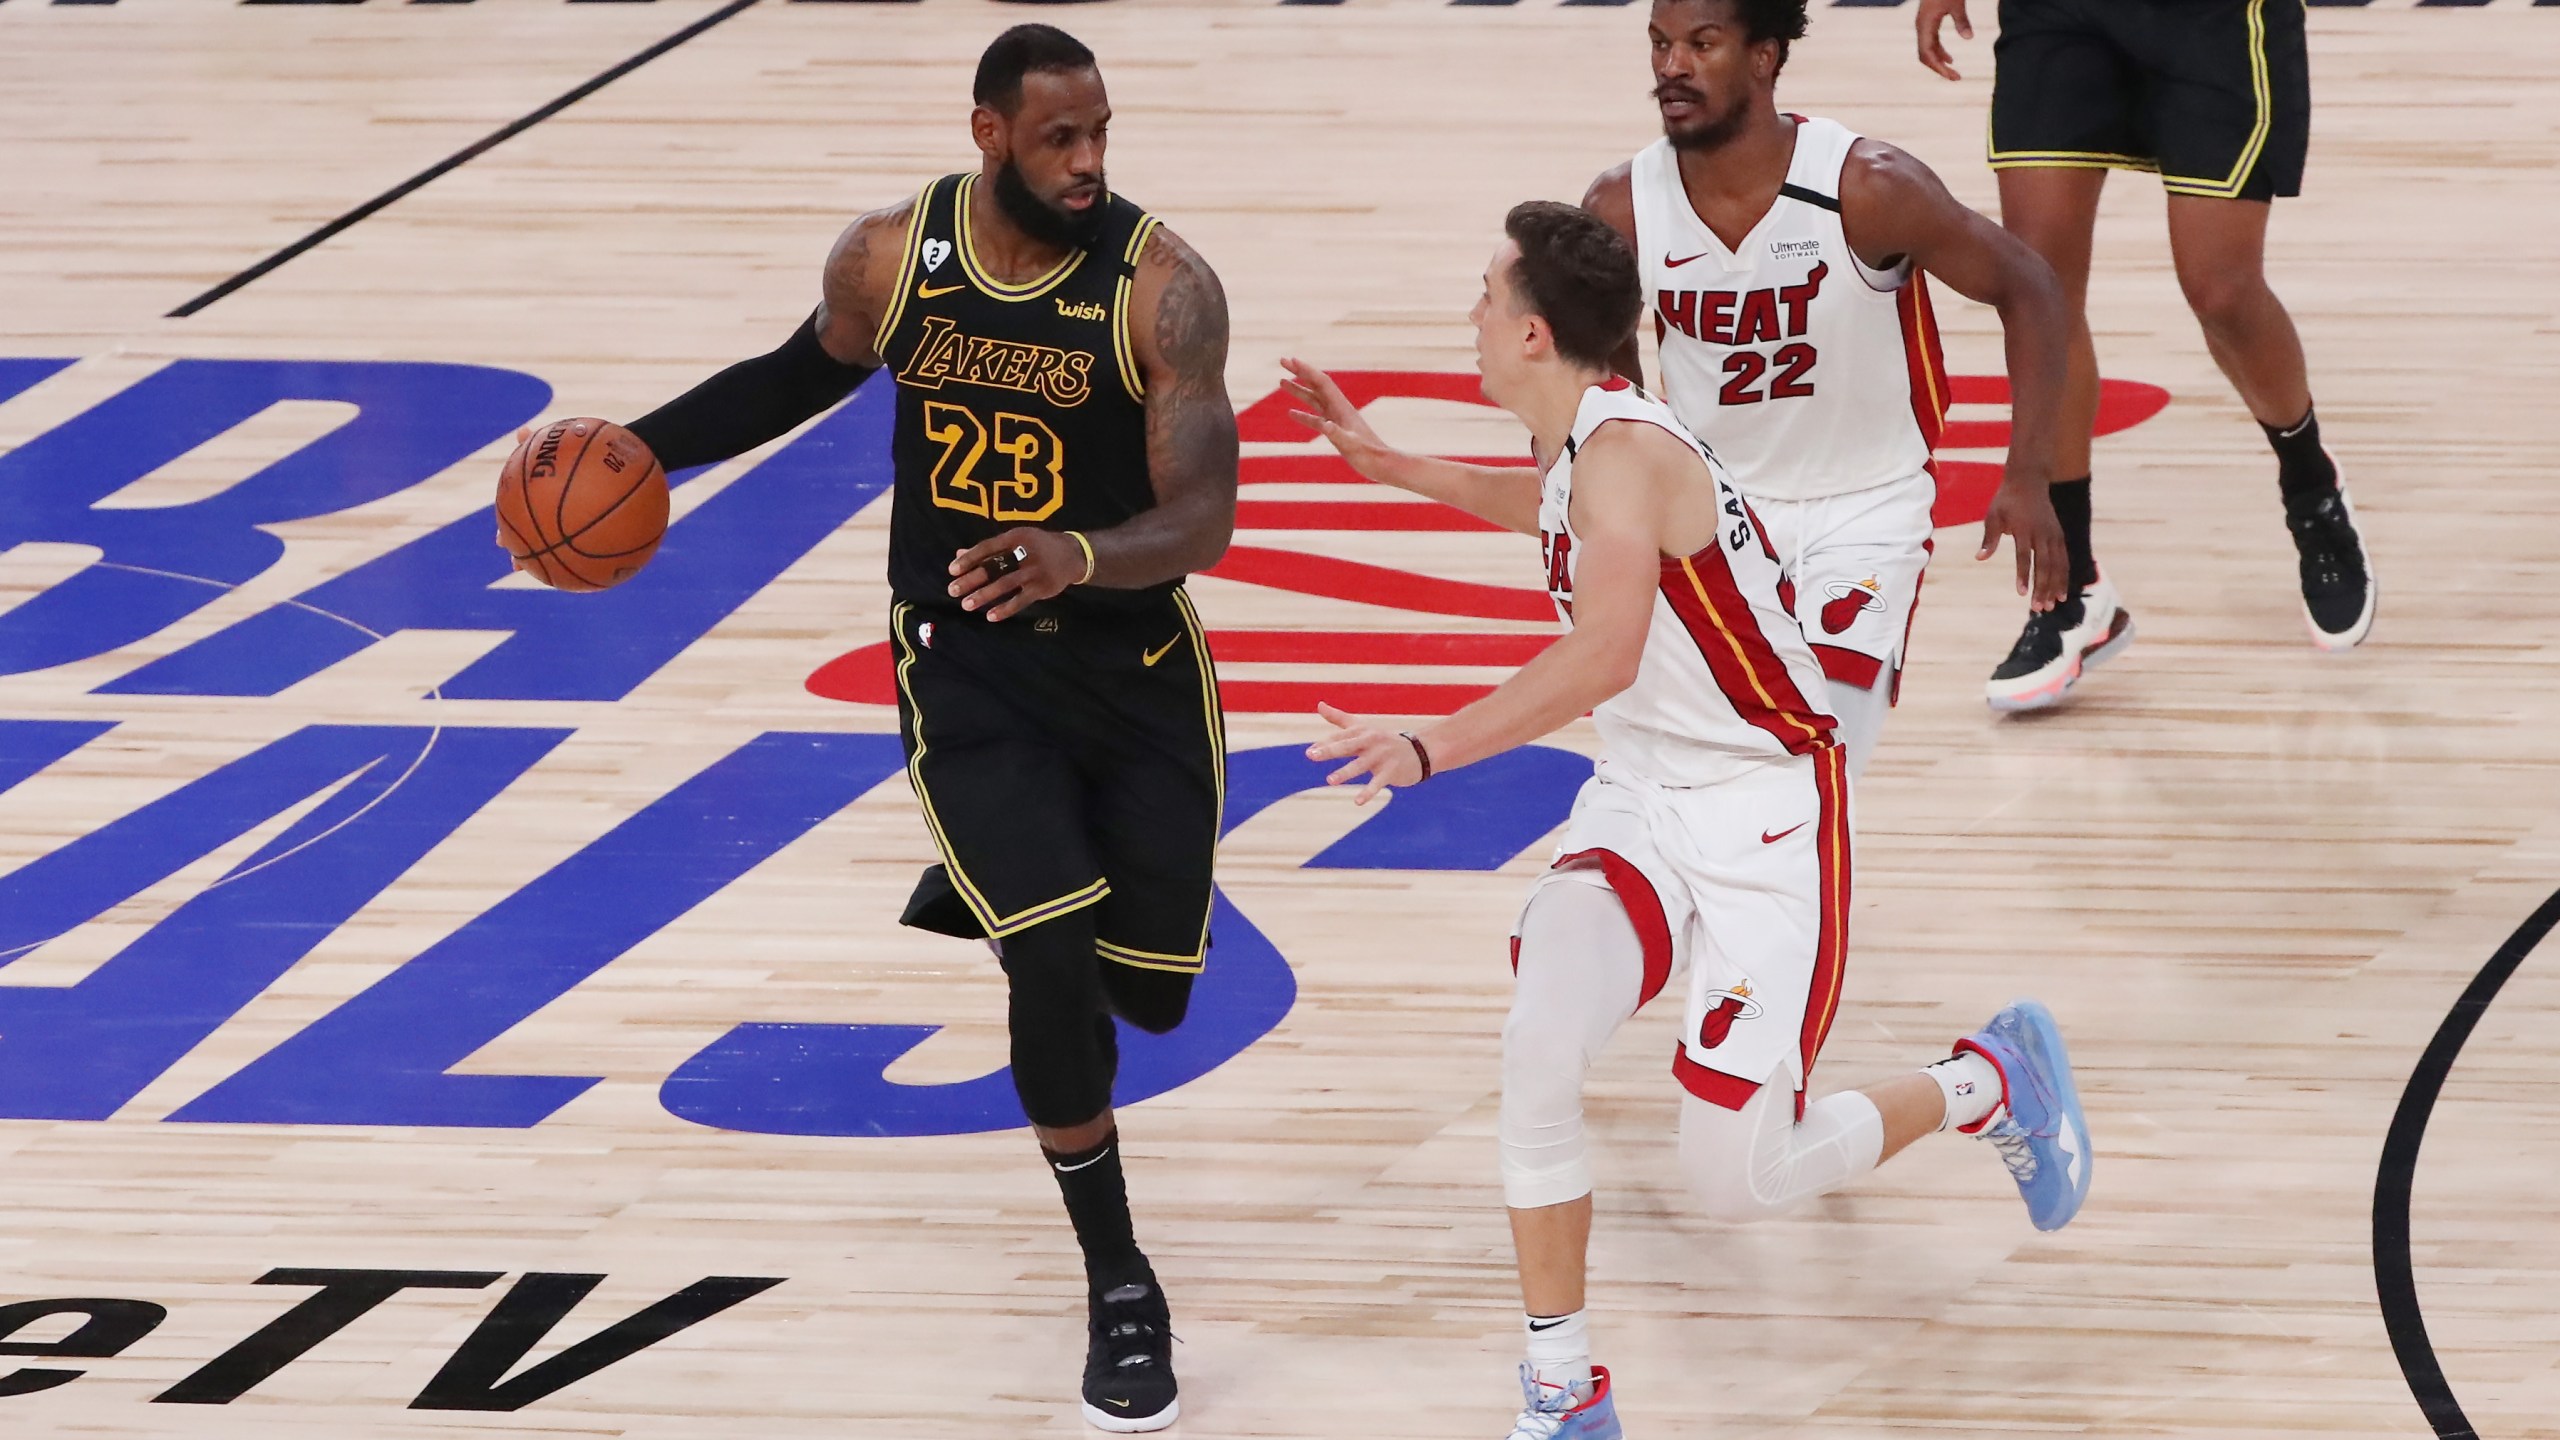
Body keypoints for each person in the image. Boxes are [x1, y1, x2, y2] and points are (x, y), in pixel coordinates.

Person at [533, 25, 1239, 1433]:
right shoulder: (892, 260)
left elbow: (1203, 518)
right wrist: (635, 455)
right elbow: (799, 373)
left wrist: (1079, 556)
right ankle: (1119, 1282)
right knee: (1052, 972)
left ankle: (997, 888)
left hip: (1130, 659)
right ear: (990, 134)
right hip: (965, 665)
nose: (1090, 160)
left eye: (1101, 130)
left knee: (1147, 992)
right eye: (1059, 138)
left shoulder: (1162, 291)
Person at [1299, 202, 2091, 1440]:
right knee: (1537, 1049)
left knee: (1739, 1179)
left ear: (1530, 332)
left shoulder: (1628, 456)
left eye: (1481, 295)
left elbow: (1605, 654)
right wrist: (1397, 467)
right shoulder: (1584, 448)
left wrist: (1430, 744)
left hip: (1765, 809)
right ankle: (1564, 1392)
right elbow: (1550, 508)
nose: (1468, 315)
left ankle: (1987, 1079)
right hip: (1640, 802)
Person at [1289, 0, 2075, 774]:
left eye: (1702, 43)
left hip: (1861, 509)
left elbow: (2031, 287)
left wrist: (2029, 473)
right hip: (1716, 515)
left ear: (1763, 57)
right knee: (1694, 762)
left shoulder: (1865, 186)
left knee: (1813, 757)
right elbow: (1605, 422)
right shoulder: (1625, 205)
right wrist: (1415, 467)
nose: (1672, 66)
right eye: (1660, 43)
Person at [1917, 0, 2375, 709]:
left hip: (2213, 22)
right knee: (2039, 290)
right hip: (2061, 14)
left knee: (2221, 290)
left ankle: (2310, 482)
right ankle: (2071, 596)